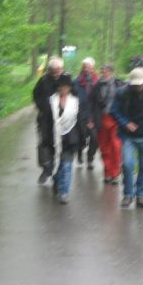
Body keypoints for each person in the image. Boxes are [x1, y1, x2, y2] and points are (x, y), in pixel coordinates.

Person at [111, 67, 143, 209]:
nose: (137, 87)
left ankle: (141, 194)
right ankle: (128, 194)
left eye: (139, 84)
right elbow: (113, 110)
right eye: (135, 85)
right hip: (128, 136)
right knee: (128, 165)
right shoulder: (122, 93)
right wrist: (125, 123)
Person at [49, 73, 85, 204]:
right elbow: (47, 122)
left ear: (70, 87)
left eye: (66, 86)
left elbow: (80, 121)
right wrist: (46, 139)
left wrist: (83, 139)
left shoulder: (75, 101)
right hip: (55, 138)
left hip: (71, 137)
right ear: (58, 87)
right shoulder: (51, 101)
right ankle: (57, 180)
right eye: (61, 86)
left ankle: (64, 192)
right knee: (59, 165)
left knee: (67, 165)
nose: (63, 88)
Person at [91, 63, 124, 184]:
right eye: (102, 71)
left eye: (105, 71)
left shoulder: (119, 84)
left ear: (111, 72)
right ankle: (107, 172)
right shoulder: (97, 86)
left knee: (116, 146)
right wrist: (91, 119)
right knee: (104, 147)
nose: (103, 73)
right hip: (102, 119)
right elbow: (92, 103)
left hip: (116, 119)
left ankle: (115, 174)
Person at [33, 56, 64, 183]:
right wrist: (42, 106)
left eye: (59, 70)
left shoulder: (66, 80)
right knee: (44, 144)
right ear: (50, 70)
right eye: (54, 70)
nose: (57, 73)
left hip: (61, 119)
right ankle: (46, 168)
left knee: (60, 145)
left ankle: (58, 172)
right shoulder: (43, 80)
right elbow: (36, 95)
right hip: (45, 119)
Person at [73, 57, 99, 168]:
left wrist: (92, 118)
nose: (87, 70)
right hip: (79, 115)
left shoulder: (98, 82)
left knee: (94, 139)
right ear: (82, 68)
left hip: (93, 115)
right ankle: (79, 152)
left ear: (93, 68)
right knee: (81, 137)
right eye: (85, 67)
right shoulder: (76, 82)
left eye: (89, 67)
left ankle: (90, 159)